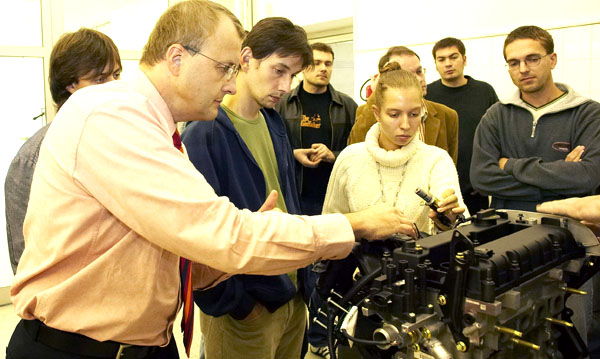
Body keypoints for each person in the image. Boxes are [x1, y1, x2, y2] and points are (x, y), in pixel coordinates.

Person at [6, 2, 417, 359]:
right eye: (225, 68)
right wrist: (353, 223)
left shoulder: (158, 128)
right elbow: (217, 231)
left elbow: (179, 249)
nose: (232, 83)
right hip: (76, 349)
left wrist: (249, 241)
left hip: (140, 344)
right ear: (177, 58)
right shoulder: (111, 115)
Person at [181, 17, 312, 359]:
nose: (285, 87)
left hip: (293, 295)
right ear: (247, 58)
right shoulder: (204, 132)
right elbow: (197, 236)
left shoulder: (274, 122)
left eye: (292, 76)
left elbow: (288, 202)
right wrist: (239, 305)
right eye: (278, 70)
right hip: (246, 309)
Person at [4, 28, 122, 274]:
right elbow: (27, 260)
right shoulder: (33, 158)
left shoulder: (120, 142)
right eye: (100, 79)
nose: (113, 87)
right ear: (70, 85)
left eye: (117, 75)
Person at [470, 25, 600, 212]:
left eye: (532, 59)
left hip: (568, 231)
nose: (523, 69)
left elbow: (588, 177)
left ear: (552, 60)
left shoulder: (588, 113)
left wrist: (509, 164)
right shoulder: (496, 115)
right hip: (505, 230)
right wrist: (560, 182)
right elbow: (481, 178)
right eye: (514, 63)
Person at [276, 42, 358, 215]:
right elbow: (270, 145)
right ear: (304, 67)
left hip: (334, 196)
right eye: (317, 63)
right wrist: (293, 154)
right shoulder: (282, 104)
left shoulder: (348, 106)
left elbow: (359, 151)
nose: (323, 68)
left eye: (328, 64)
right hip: (295, 194)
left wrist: (332, 155)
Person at [347, 46, 459, 165]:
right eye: (408, 74)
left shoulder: (447, 115)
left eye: (419, 71)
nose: (419, 79)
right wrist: (377, 94)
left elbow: (449, 167)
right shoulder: (367, 112)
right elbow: (354, 152)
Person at [426, 37, 498, 215]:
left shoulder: (484, 91)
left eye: (453, 57)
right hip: (437, 185)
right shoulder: (427, 94)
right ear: (435, 64)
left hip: (475, 188)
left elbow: (497, 137)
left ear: (464, 60)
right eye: (441, 59)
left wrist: (486, 178)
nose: (448, 64)